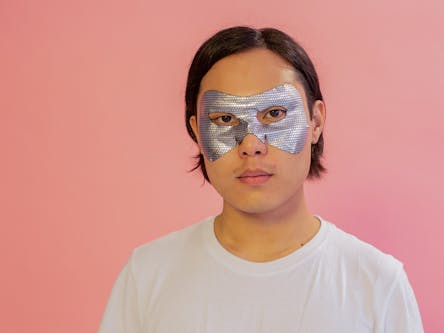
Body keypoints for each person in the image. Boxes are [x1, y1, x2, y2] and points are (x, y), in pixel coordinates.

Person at [99, 26, 424, 332]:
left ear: (316, 121)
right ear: (198, 131)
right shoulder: (148, 274)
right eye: (225, 118)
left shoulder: (377, 283)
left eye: (274, 114)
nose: (251, 145)